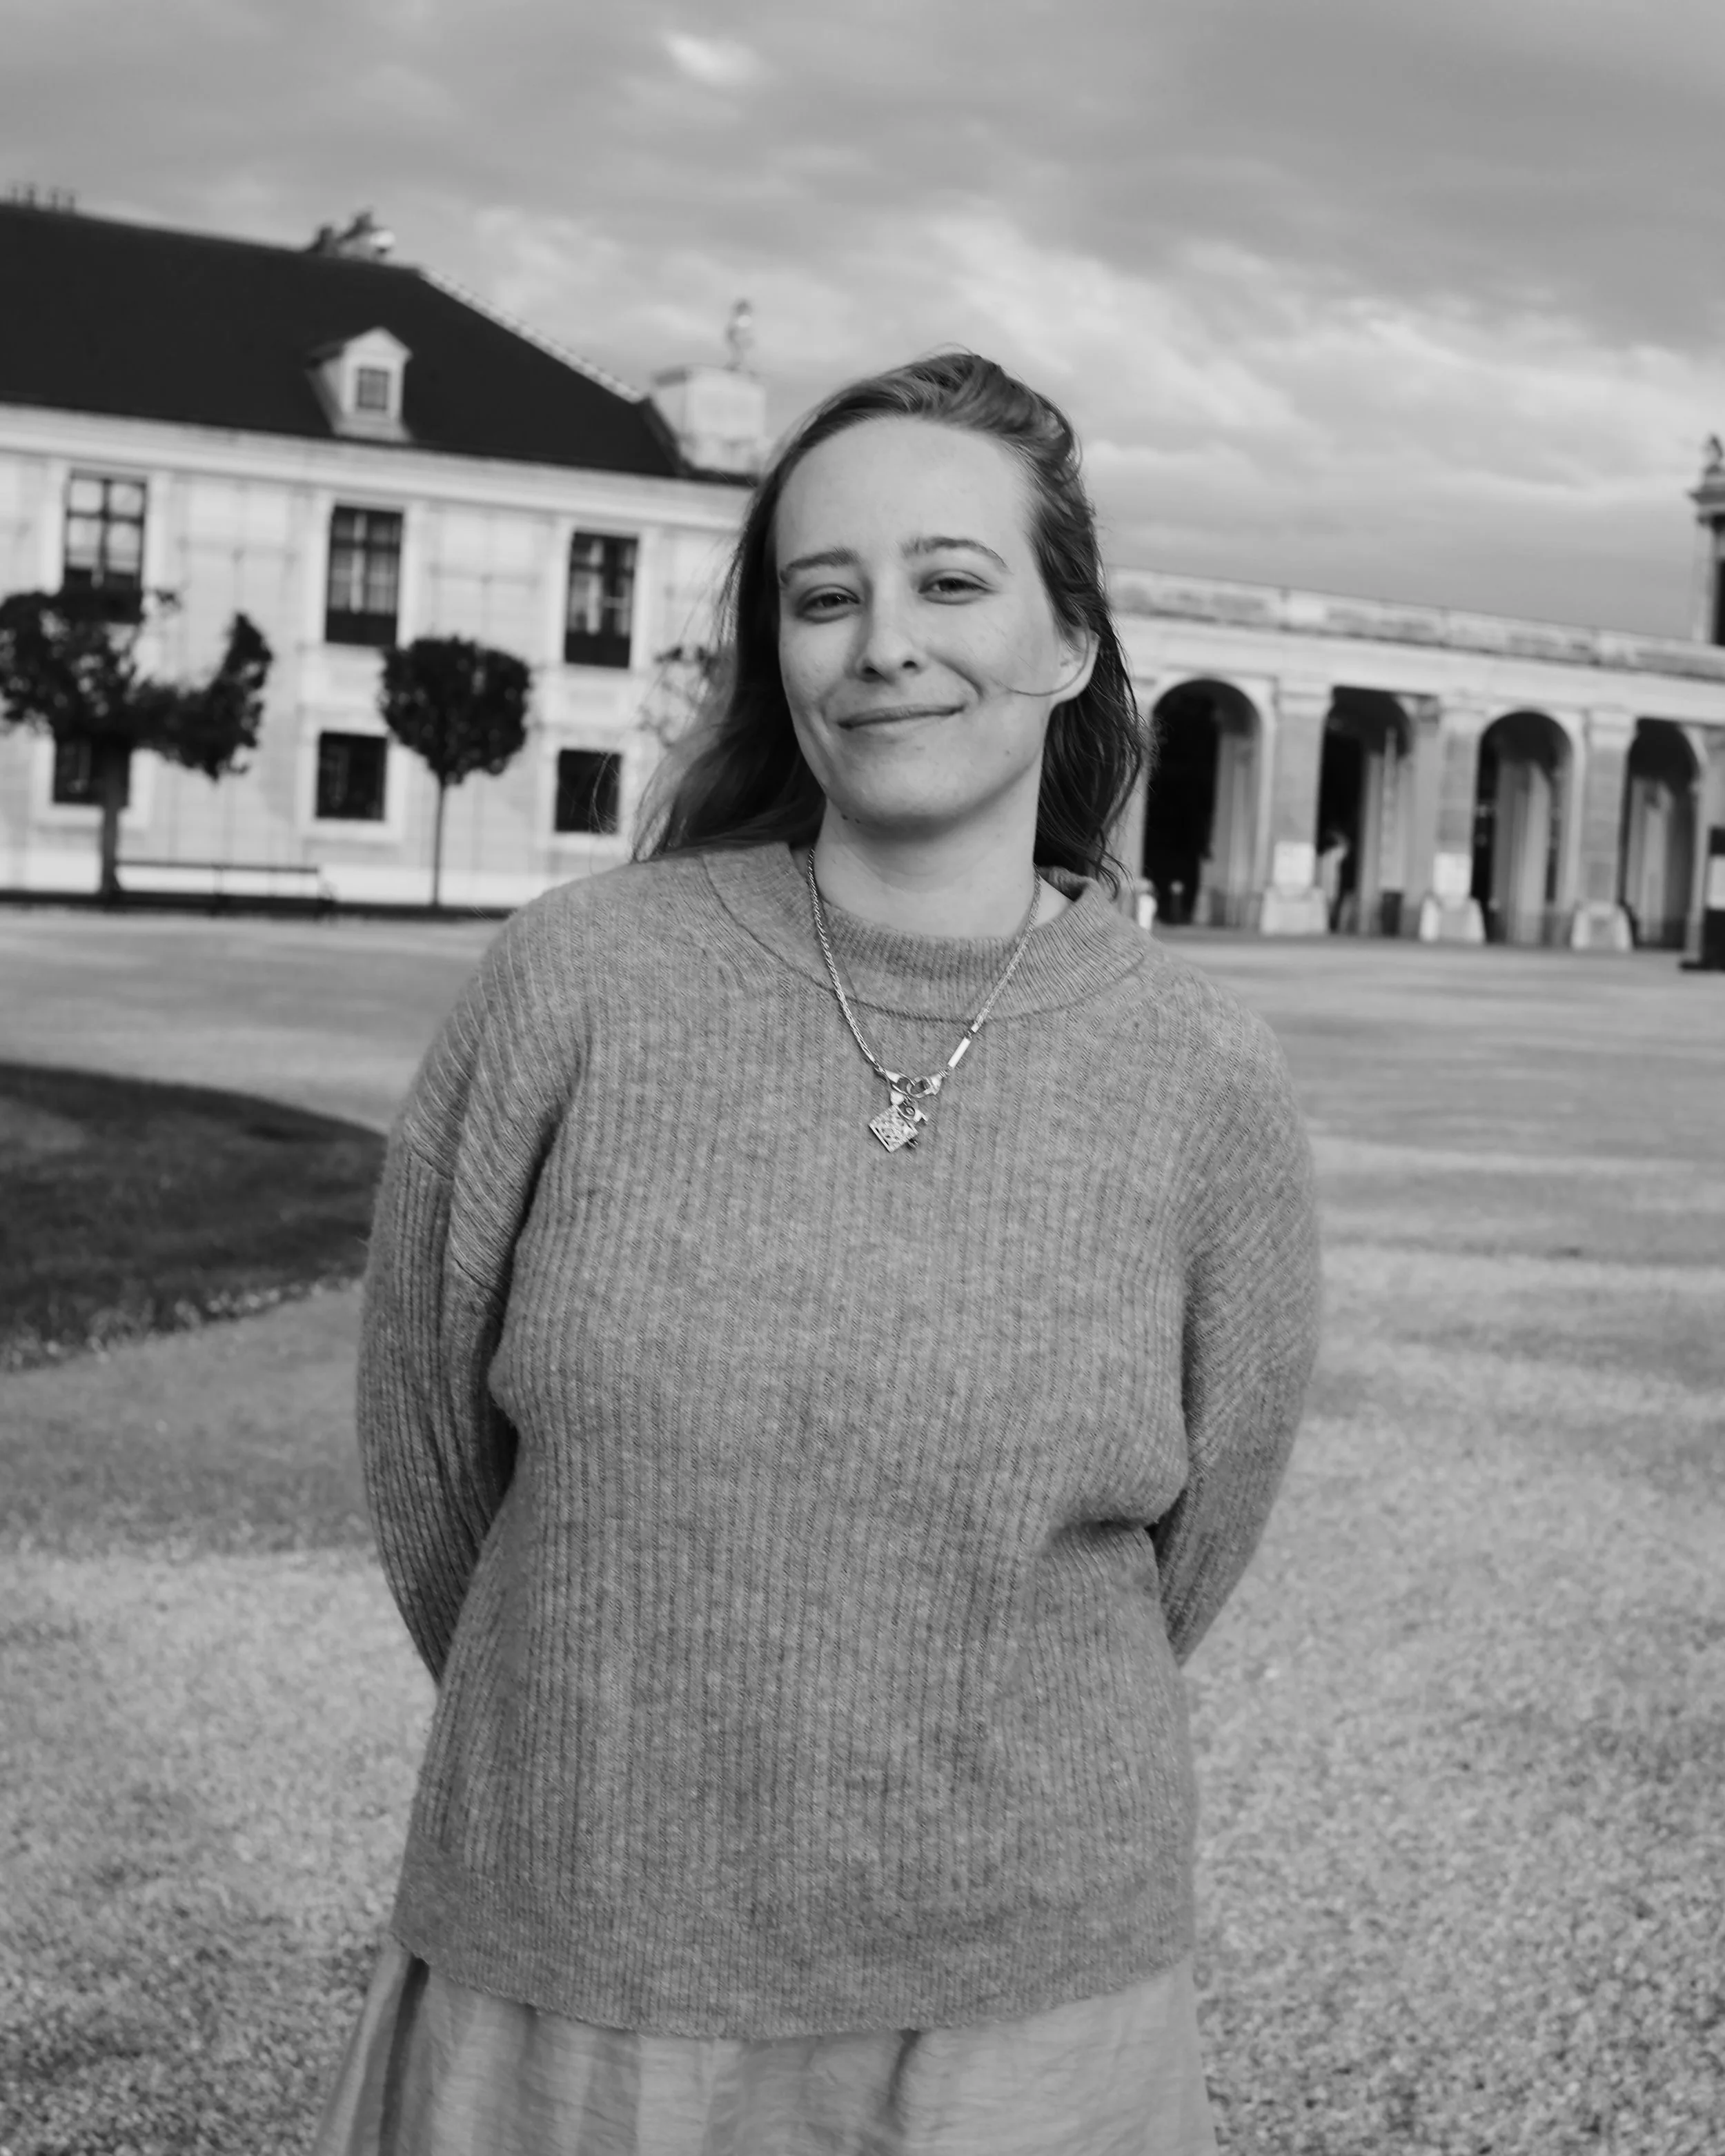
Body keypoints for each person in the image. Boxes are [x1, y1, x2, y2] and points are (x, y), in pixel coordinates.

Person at [313, 352, 1322, 2155]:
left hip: (1022, 2015)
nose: (881, 644)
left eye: (949, 580)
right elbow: (427, 1463)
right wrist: (611, 1747)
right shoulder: (578, 983)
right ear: (775, 650)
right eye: (822, 594)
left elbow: (1195, 1534)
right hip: (575, 1969)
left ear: (1073, 637)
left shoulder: (1202, 1081)